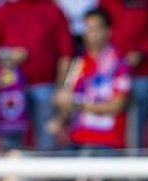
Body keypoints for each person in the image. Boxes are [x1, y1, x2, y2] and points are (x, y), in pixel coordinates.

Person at [0, 0, 73, 152]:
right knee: (10, 143)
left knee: (47, 142)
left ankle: (45, 176)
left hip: (45, 87)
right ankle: (12, 175)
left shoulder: (53, 10)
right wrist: (8, 54)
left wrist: (61, 88)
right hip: (11, 89)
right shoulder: (4, 10)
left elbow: (65, 53)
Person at [99, 0, 148, 148]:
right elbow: (97, 29)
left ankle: (134, 157)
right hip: (109, 74)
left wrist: (141, 52)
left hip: (143, 73)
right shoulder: (107, 3)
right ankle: (107, 157)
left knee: (138, 109)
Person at [55, 8, 131, 152]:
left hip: (108, 141)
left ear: (108, 32)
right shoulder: (78, 63)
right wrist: (61, 107)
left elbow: (117, 105)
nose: (91, 34)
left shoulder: (119, 64)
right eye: (88, 28)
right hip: (78, 140)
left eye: (96, 28)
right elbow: (67, 98)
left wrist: (79, 105)